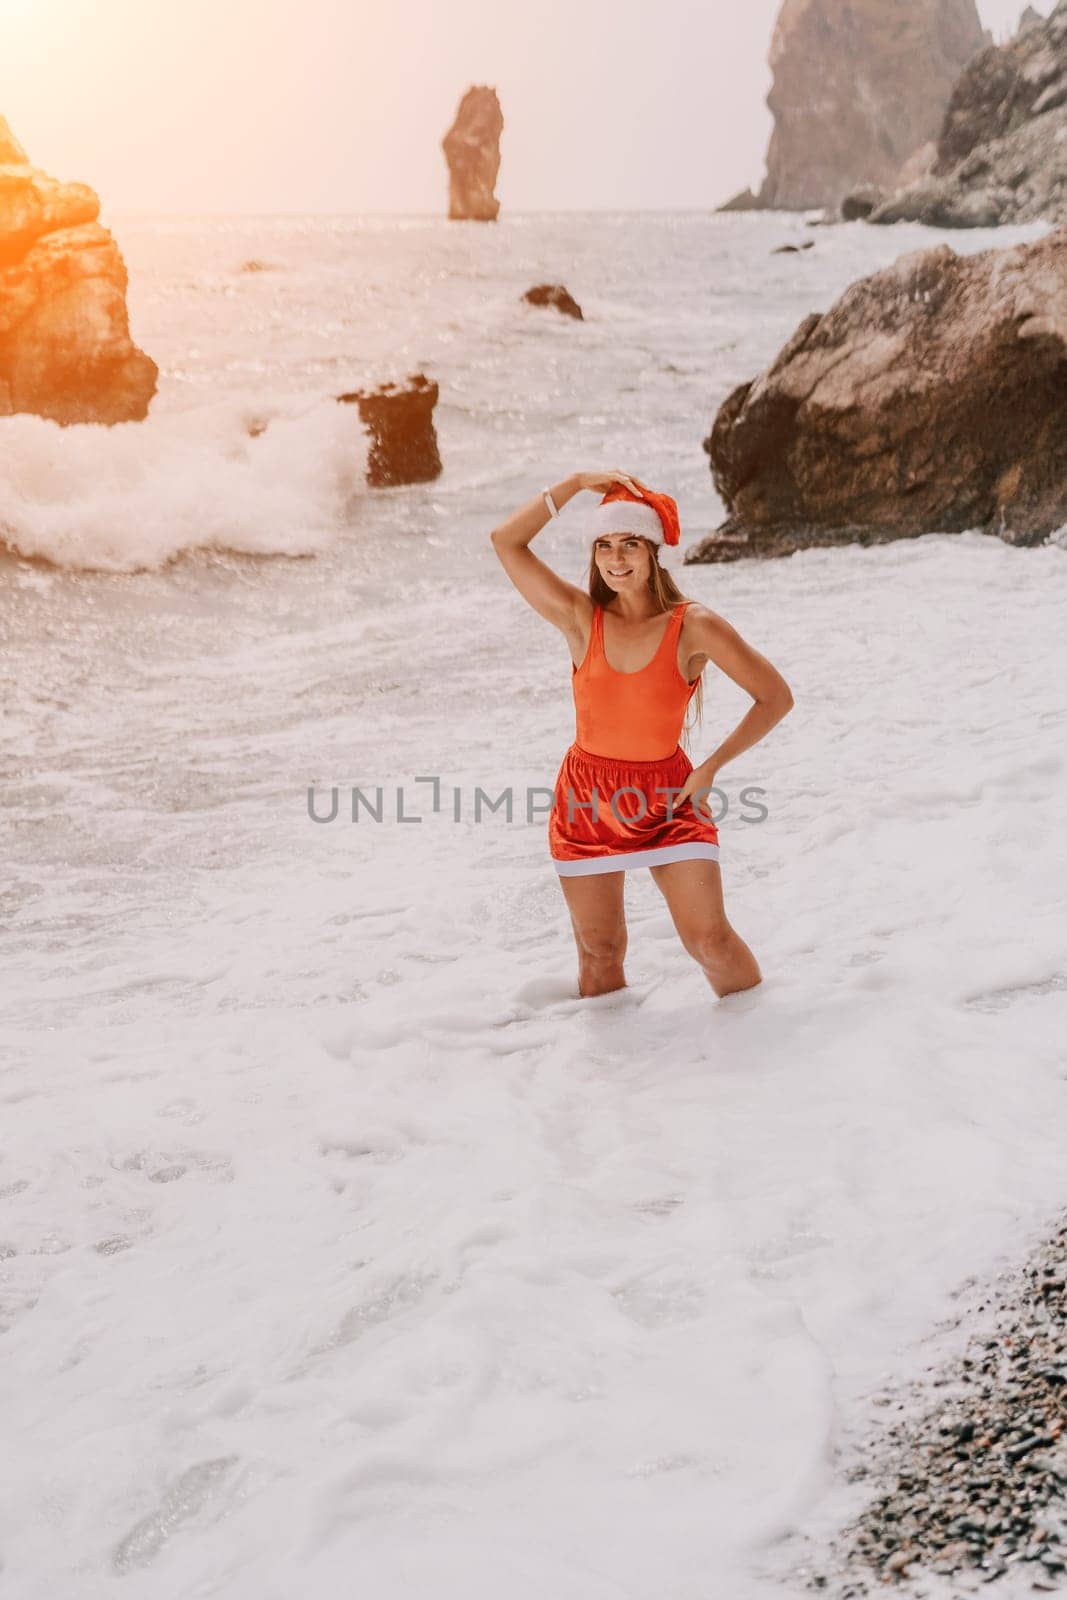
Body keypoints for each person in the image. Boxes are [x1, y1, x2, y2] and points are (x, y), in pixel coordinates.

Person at [490, 468, 794, 1002]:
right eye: (604, 545)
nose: (616, 558)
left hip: (671, 798)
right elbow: (506, 541)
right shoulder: (581, 619)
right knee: (600, 950)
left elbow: (775, 696)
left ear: (653, 550)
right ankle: (614, 1079)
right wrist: (576, 483)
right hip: (587, 802)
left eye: (630, 543)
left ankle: (763, 1052)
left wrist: (710, 767)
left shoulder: (693, 625)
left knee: (711, 941)